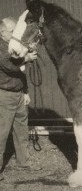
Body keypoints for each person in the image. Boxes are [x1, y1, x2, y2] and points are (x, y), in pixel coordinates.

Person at [0, 17, 41, 181]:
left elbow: (21, 72)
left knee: (21, 130)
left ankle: (24, 161)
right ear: (2, 32)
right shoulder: (1, 48)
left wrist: (25, 92)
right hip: (5, 95)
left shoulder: (13, 46)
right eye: (12, 31)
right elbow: (8, 66)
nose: (14, 34)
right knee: (2, 132)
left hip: (18, 94)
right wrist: (26, 58)